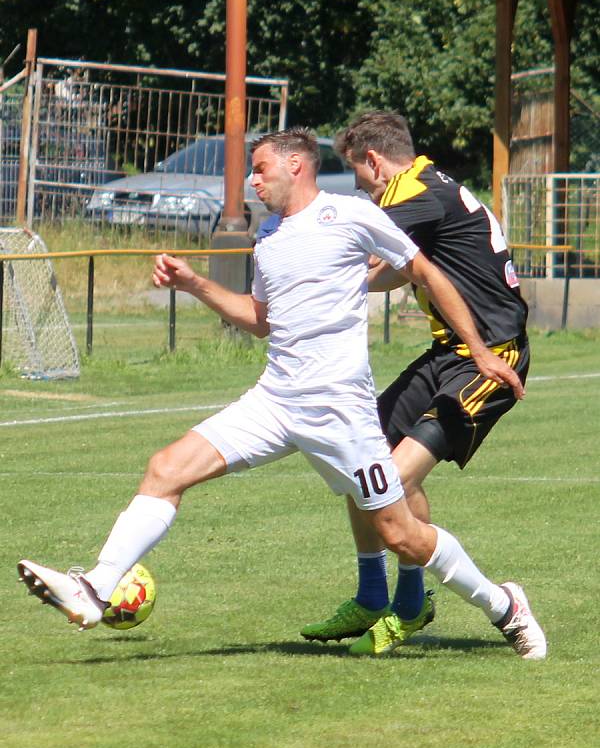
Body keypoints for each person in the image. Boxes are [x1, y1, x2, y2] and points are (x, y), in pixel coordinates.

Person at [17, 127, 545, 661]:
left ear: (296, 165)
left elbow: (426, 272)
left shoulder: (353, 215)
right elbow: (262, 319)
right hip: (274, 402)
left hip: (341, 412)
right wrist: (194, 284)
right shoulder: (268, 235)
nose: (252, 180)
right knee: (166, 468)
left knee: (402, 535)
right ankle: (95, 590)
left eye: (260, 168)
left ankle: (504, 605)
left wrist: (478, 350)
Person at [300, 111, 533, 657]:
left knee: (385, 481)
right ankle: (375, 595)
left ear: (374, 162)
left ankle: (420, 606)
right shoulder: (429, 190)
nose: (360, 186)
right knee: (362, 457)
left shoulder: (418, 194)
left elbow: (359, 247)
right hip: (447, 352)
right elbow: (392, 270)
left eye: (358, 175)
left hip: (490, 358)